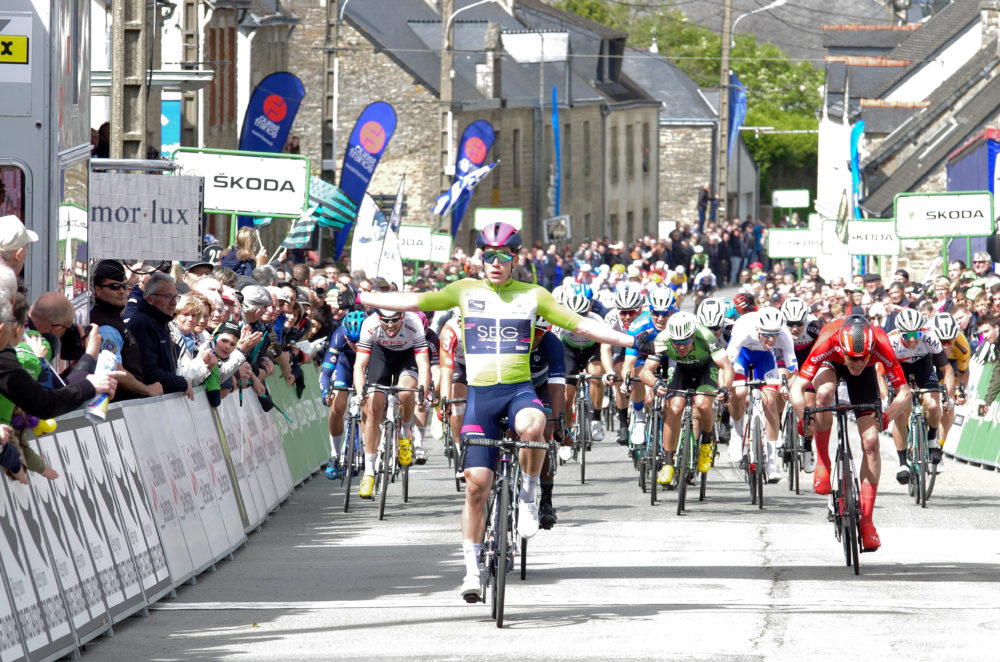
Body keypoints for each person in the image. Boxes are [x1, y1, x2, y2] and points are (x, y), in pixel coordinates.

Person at [334, 221, 653, 602]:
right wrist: (363, 297)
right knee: (476, 487)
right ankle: (471, 572)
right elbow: (416, 300)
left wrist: (632, 340)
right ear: (480, 259)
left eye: (503, 256)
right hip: (481, 397)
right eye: (489, 256)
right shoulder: (464, 290)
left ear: (515, 259)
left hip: (518, 390)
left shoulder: (533, 295)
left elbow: (582, 325)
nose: (496, 263)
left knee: (535, 424)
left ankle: (528, 496)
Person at [790, 315, 911, 551]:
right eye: (852, 358)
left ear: (870, 350)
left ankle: (867, 522)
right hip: (831, 364)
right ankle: (823, 463)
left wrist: (887, 416)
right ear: (843, 348)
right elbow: (798, 388)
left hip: (866, 378)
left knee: (871, 442)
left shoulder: (880, 342)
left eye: (862, 358)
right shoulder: (828, 338)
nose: (856, 364)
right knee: (824, 394)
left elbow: (904, 392)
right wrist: (803, 417)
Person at [640, 312, 733, 485]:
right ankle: (668, 463)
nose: (681, 347)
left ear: (693, 336)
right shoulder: (663, 338)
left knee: (703, 404)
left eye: (686, 342)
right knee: (675, 408)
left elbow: (726, 367)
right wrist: (655, 383)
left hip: (706, 368)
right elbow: (645, 371)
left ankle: (707, 441)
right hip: (680, 368)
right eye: (676, 343)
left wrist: (725, 387)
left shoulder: (706, 336)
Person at [352, 308, 431, 499]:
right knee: (373, 407)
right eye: (385, 321)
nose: (389, 325)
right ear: (378, 318)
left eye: (395, 320)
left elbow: (423, 364)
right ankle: (369, 473)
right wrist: (361, 391)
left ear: (402, 317)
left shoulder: (413, 323)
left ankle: (404, 436)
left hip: (407, 356)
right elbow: (359, 365)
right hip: (381, 356)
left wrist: (422, 391)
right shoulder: (370, 324)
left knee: (405, 392)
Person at [725, 306, 797, 482]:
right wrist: (726, 388)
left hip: (765, 359)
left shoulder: (784, 334)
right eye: (767, 335)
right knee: (739, 393)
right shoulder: (743, 328)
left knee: (770, 400)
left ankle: (772, 462)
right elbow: (728, 363)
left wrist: (787, 387)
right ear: (758, 329)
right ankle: (737, 433)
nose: (772, 339)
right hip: (742, 356)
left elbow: (793, 368)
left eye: (775, 334)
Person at [886, 309, 951, 484]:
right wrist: (885, 397)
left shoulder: (930, 337)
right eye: (907, 335)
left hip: (923, 365)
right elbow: (879, 373)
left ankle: (931, 440)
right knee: (900, 414)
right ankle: (902, 463)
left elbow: (947, 370)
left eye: (917, 334)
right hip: (900, 368)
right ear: (900, 332)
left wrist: (948, 396)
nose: (913, 339)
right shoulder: (891, 342)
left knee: (933, 405)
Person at [89, 260, 163, 400]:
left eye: (125, 286)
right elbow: (115, 370)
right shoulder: (105, 327)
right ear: (98, 290)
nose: (122, 291)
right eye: (114, 287)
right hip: (117, 404)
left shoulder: (112, 318)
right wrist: (147, 390)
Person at [126, 273, 193, 398]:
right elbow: (149, 371)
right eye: (168, 297)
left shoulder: (161, 321)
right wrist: (182, 383)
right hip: (146, 403)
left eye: (175, 297)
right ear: (150, 299)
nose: (174, 302)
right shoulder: (142, 324)